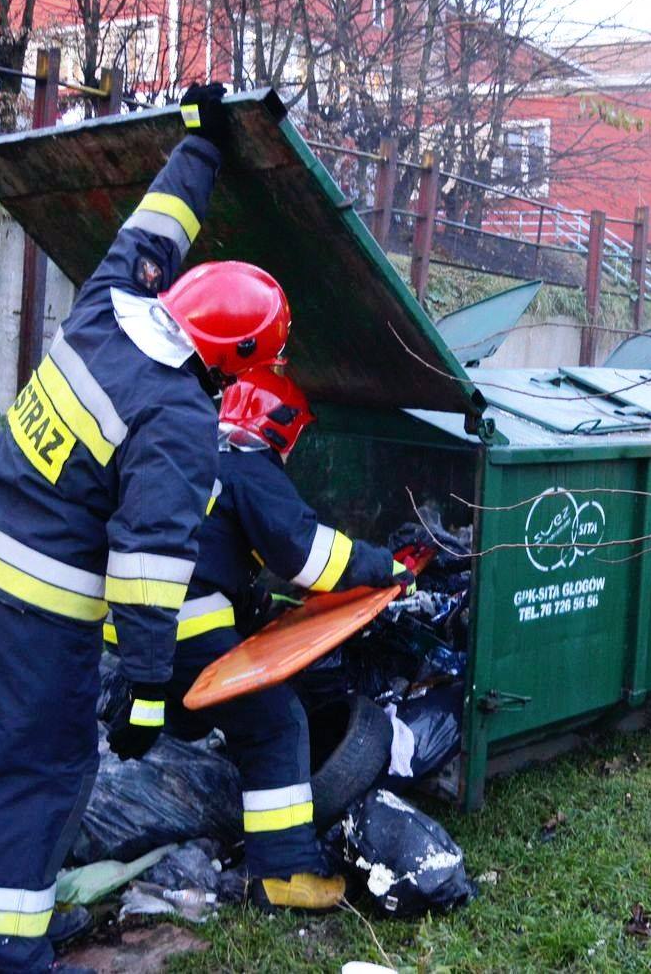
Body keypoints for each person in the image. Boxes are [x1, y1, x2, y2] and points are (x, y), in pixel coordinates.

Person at [0, 85, 293, 972]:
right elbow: (149, 565)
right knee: (43, 772)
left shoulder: (110, 297)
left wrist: (201, 144)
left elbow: (157, 222)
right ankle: (4, 949)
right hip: (37, 611)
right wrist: (144, 689)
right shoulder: (178, 418)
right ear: (237, 363)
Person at [103, 370, 414, 911]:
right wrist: (381, 565)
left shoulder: (201, 458)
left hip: (136, 634)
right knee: (275, 723)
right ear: (281, 427)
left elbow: (211, 550)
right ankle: (283, 872)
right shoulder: (250, 468)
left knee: (195, 722)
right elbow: (306, 554)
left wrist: (257, 607)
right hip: (185, 629)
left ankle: (178, 814)